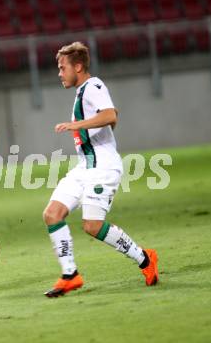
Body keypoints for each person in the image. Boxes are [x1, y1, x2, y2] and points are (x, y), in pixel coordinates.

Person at [43, 42, 159, 298]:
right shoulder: (83, 91)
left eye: (63, 68)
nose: (59, 73)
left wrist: (76, 125)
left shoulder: (93, 85)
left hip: (103, 168)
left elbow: (110, 116)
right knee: (52, 214)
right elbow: (110, 114)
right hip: (84, 167)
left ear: (78, 66)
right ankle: (70, 274)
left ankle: (145, 258)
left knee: (92, 226)